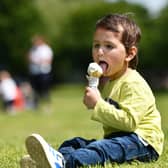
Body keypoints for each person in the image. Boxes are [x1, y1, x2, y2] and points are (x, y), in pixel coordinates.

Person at [20, 13, 164, 168]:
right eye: (96, 45)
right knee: (75, 143)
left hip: (142, 143)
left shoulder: (133, 84)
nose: (100, 52)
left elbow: (129, 123)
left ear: (129, 54)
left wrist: (98, 104)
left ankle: (63, 163)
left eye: (109, 46)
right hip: (117, 139)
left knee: (99, 149)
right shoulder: (110, 82)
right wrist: (94, 100)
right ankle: (52, 160)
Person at [28, 35, 54, 104]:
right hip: (34, 72)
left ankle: (46, 103)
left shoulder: (46, 49)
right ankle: (36, 104)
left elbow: (48, 60)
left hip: (44, 72)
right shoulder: (33, 49)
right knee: (35, 89)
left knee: (45, 89)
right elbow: (29, 57)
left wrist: (38, 61)